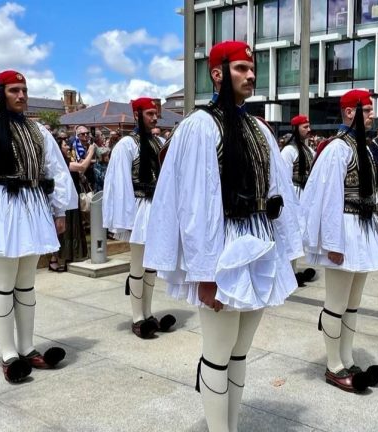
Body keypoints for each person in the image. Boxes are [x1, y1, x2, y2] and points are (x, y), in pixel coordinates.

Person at [143, 41, 302, 432]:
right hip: (222, 249)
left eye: (252, 69)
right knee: (217, 352)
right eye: (241, 68)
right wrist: (205, 272)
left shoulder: (259, 129)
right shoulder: (198, 127)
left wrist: (287, 250)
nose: (251, 76)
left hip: (258, 241)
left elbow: (277, 192)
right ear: (217, 74)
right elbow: (197, 207)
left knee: (240, 352)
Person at [0, 70, 77, 383]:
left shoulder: (38, 130)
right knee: (4, 284)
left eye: (24, 90)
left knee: (27, 283)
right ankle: (8, 353)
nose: (21, 96)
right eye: (14, 91)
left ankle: (27, 346)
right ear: (1, 93)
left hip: (33, 207)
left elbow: (56, 169)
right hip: (4, 210)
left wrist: (58, 208)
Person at [301, 89, 378, 393]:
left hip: (361, 229)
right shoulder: (337, 148)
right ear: (350, 112)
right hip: (344, 230)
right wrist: (332, 243)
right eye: (366, 111)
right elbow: (326, 199)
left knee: (352, 304)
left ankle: (348, 359)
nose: (372, 115)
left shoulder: (360, 147)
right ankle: (333, 365)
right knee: (337, 303)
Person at [102, 97, 176, 339]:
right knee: (138, 265)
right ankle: (137, 317)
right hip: (140, 208)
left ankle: (148, 313)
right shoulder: (126, 145)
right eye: (149, 114)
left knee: (152, 266)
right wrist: (125, 217)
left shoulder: (160, 142)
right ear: (137, 115)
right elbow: (119, 183)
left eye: (156, 114)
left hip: (156, 208)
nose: (154, 118)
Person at [280, 114, 317, 287]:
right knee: (291, 235)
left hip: (305, 195)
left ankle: (292, 272)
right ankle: (287, 273)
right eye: (305, 127)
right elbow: (283, 179)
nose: (309, 130)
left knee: (300, 236)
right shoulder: (289, 151)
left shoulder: (309, 150)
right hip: (293, 195)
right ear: (296, 128)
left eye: (309, 126)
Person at [49, 135, 90, 272]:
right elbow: (83, 167)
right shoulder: (64, 163)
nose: (67, 146)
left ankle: (69, 257)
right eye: (64, 145)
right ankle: (55, 259)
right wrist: (91, 152)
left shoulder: (67, 160)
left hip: (72, 200)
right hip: (63, 202)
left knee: (72, 231)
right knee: (63, 231)